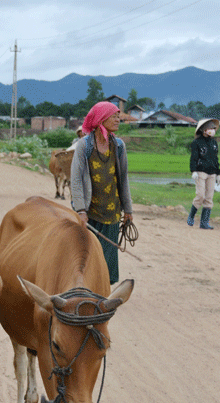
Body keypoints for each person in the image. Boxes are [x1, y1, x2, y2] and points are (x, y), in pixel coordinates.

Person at [70, 101, 133, 285]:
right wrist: (80, 211)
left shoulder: (119, 146)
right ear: (101, 119)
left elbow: (123, 179)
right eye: (113, 116)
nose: (118, 119)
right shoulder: (84, 146)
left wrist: (128, 209)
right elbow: (76, 180)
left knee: (108, 260)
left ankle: (103, 293)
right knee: (86, 257)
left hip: (112, 212)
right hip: (90, 214)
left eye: (118, 116)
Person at [188, 118, 220, 229]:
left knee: (209, 198)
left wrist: (218, 173)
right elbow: (193, 158)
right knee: (200, 195)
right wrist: (194, 171)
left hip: (212, 173)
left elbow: (215, 159)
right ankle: (191, 217)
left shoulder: (214, 143)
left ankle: (204, 222)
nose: (212, 130)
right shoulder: (196, 143)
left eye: (213, 128)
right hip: (201, 172)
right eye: (210, 128)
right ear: (203, 130)